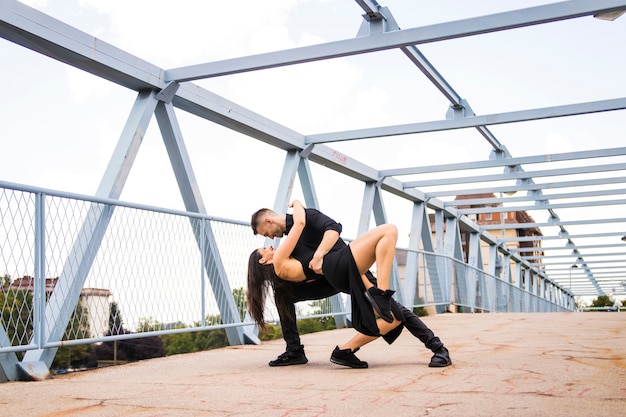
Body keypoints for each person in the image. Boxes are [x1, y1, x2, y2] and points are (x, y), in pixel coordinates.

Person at [248, 200, 451, 368]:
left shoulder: (308, 218)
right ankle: (294, 350)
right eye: (265, 242)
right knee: (282, 292)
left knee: (395, 315)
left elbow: (333, 230)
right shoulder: (285, 251)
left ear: (268, 220)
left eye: (266, 234)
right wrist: (298, 204)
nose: (270, 240)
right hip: (335, 272)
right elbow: (298, 229)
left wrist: (321, 255)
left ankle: (346, 350)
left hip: (343, 265)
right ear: (263, 261)